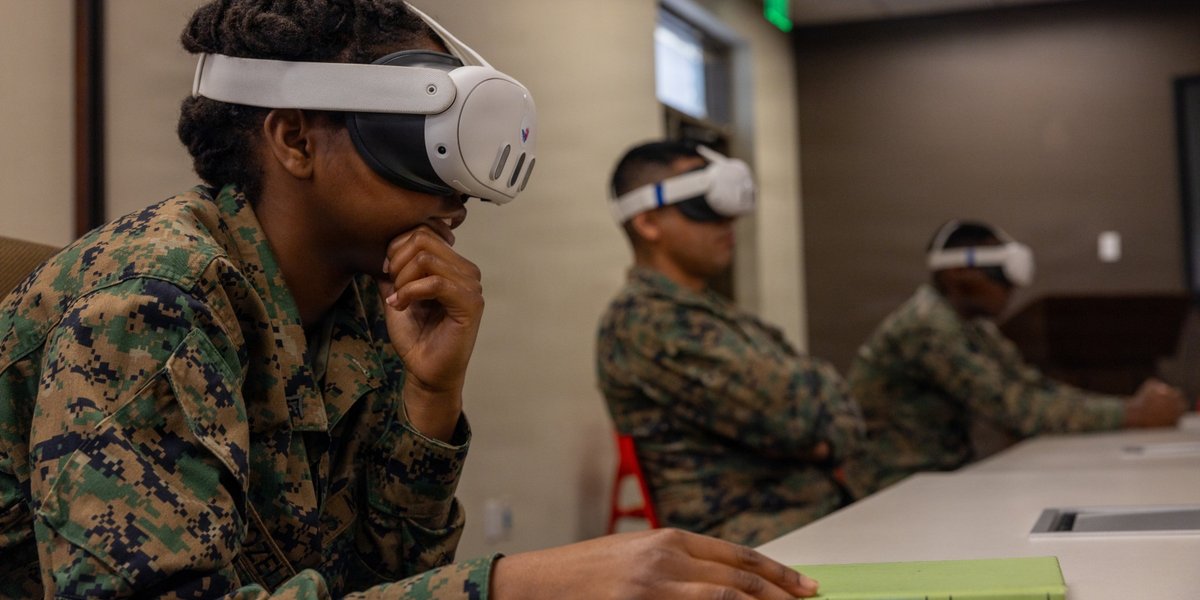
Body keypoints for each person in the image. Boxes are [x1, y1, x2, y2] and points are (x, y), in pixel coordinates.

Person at [0, 2, 822, 598]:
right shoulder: (153, 301)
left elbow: (381, 578)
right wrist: (513, 585)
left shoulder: (365, 300)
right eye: (421, 142)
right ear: (292, 139)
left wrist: (431, 398)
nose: (457, 195)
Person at [596, 140, 865, 547]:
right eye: (702, 209)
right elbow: (798, 415)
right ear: (649, 223)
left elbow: (817, 403)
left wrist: (825, 428)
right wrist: (820, 434)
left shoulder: (706, 310)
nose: (726, 224)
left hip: (810, 524)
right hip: (748, 547)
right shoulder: (647, 321)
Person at [844, 220, 1188, 497]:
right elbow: (1017, 409)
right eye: (1000, 274)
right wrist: (1133, 413)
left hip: (934, 482)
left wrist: (1130, 409)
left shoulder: (974, 327)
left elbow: (1033, 388)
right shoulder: (928, 326)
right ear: (957, 274)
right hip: (893, 489)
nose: (1011, 287)